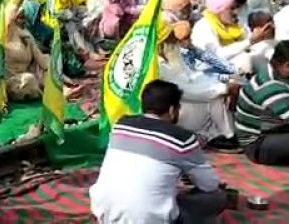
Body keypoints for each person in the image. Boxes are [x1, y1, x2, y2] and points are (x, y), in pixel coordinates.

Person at [90, 80, 227, 223]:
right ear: (172, 110)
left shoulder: (121, 125)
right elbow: (210, 185)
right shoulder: (181, 138)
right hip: (149, 219)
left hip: (106, 214)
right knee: (216, 197)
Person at [158, 21, 238, 148]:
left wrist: (224, 83)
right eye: (171, 39)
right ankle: (227, 136)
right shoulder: (159, 65)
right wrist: (222, 89)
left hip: (189, 104)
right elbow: (185, 91)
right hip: (177, 112)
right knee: (217, 96)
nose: (176, 42)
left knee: (221, 91)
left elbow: (196, 77)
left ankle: (222, 134)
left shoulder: (174, 56)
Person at [235, 40, 289, 165]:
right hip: (258, 144)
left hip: (277, 130)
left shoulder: (275, 72)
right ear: (287, 65)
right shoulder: (269, 86)